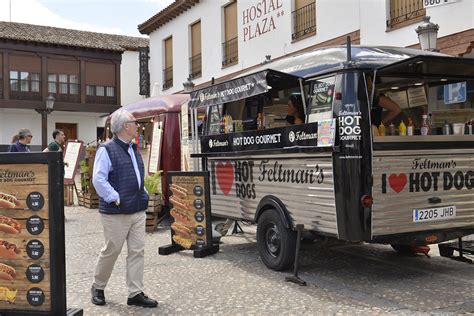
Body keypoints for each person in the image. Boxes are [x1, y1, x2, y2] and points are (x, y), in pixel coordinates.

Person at [91, 109, 157, 308]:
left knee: (137, 251)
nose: (138, 125)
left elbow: (137, 175)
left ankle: (135, 292)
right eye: (134, 122)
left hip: (137, 210)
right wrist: (114, 197)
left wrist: (143, 192)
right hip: (116, 212)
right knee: (111, 251)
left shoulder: (133, 148)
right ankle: (98, 286)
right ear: (125, 126)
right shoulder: (107, 149)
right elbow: (98, 179)